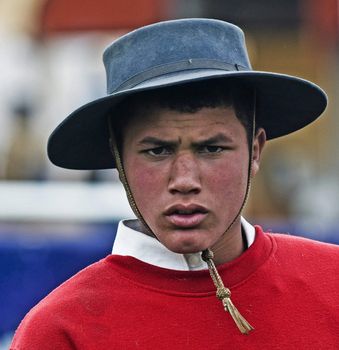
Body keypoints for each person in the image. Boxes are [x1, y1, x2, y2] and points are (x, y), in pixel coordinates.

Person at [11, 18, 339, 349]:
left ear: (255, 151)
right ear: (119, 159)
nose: (184, 180)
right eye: (157, 150)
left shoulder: (332, 282)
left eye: (212, 148)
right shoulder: (60, 331)